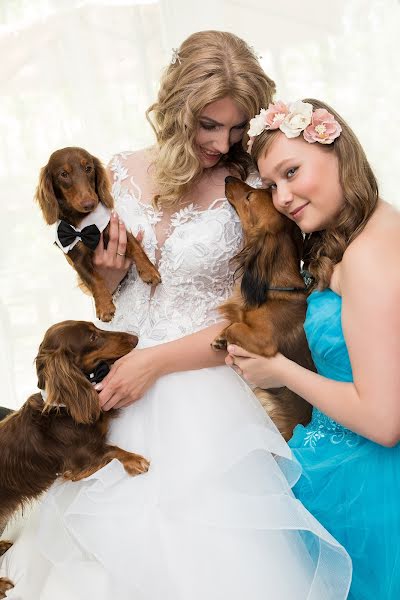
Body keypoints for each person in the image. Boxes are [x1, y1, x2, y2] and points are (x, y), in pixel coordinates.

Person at [0, 37, 351, 599]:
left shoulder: (257, 190)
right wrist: (109, 281)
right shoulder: (114, 171)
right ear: (177, 108)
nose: (222, 143)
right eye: (209, 125)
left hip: (203, 385)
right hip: (112, 382)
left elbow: (259, 317)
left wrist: (154, 364)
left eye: (237, 130)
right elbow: (112, 301)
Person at [227, 98, 400, 599]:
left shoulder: (368, 258)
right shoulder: (374, 228)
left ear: (339, 151)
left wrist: (278, 369)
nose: (281, 197)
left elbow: (385, 421)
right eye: (272, 185)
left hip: (366, 488)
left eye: (291, 171)